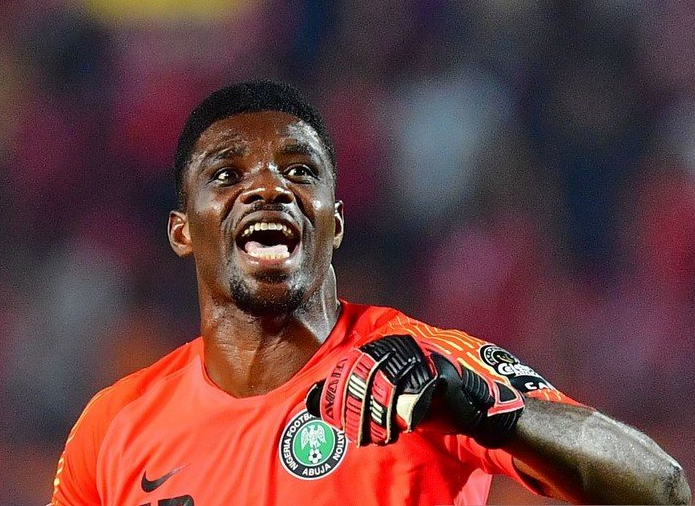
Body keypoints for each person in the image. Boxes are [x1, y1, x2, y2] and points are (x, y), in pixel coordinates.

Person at [50, 80, 691, 505]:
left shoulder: (420, 367)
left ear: (335, 222)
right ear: (183, 230)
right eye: (227, 173)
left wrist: (482, 409)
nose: (269, 188)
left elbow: (661, 488)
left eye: (300, 170)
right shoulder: (113, 429)